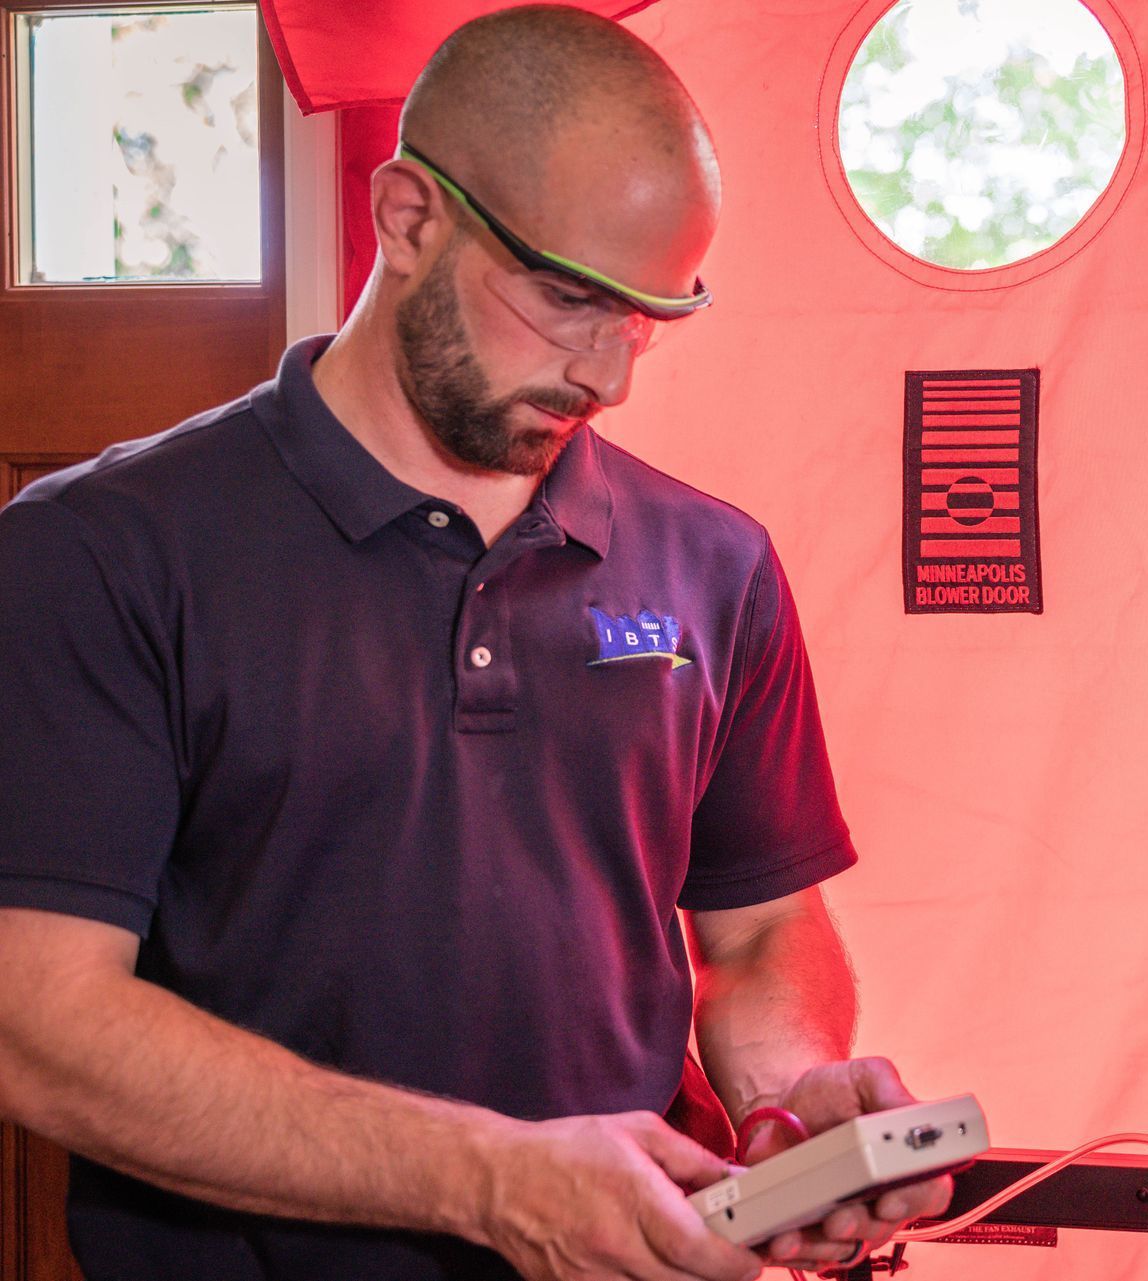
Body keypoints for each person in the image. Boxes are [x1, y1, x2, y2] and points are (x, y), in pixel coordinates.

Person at [0, 7, 951, 1280]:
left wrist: (789, 1107)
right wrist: (495, 1182)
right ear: (406, 218)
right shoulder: (99, 553)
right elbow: (37, 1021)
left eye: (649, 318)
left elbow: (762, 929)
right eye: (568, 300)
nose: (608, 375)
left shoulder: (715, 564)